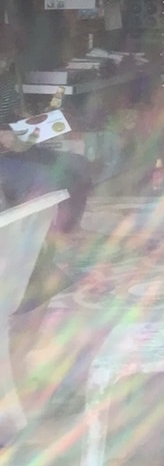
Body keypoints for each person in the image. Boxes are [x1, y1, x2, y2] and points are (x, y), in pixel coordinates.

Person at [0, 23, 94, 309]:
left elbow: (12, 117)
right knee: (42, 179)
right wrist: (4, 138)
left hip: (13, 150)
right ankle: (29, 267)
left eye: (9, 56)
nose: (6, 62)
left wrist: (36, 122)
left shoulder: (6, 77)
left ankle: (56, 246)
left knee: (77, 168)